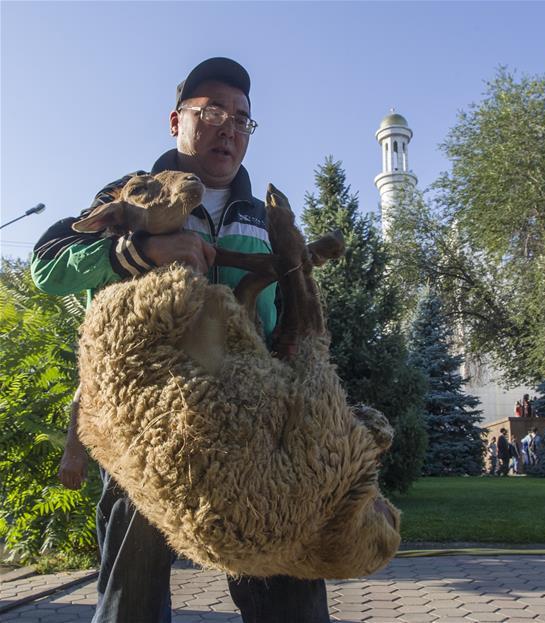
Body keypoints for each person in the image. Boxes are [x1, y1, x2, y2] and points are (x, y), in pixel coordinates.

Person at [33, 58, 330, 623]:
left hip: (254, 423)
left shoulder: (265, 214)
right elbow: (46, 268)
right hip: (144, 427)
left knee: (289, 592)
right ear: (177, 121)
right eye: (213, 111)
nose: (230, 128)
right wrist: (137, 251)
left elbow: (294, 308)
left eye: (243, 119)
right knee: (132, 602)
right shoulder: (135, 192)